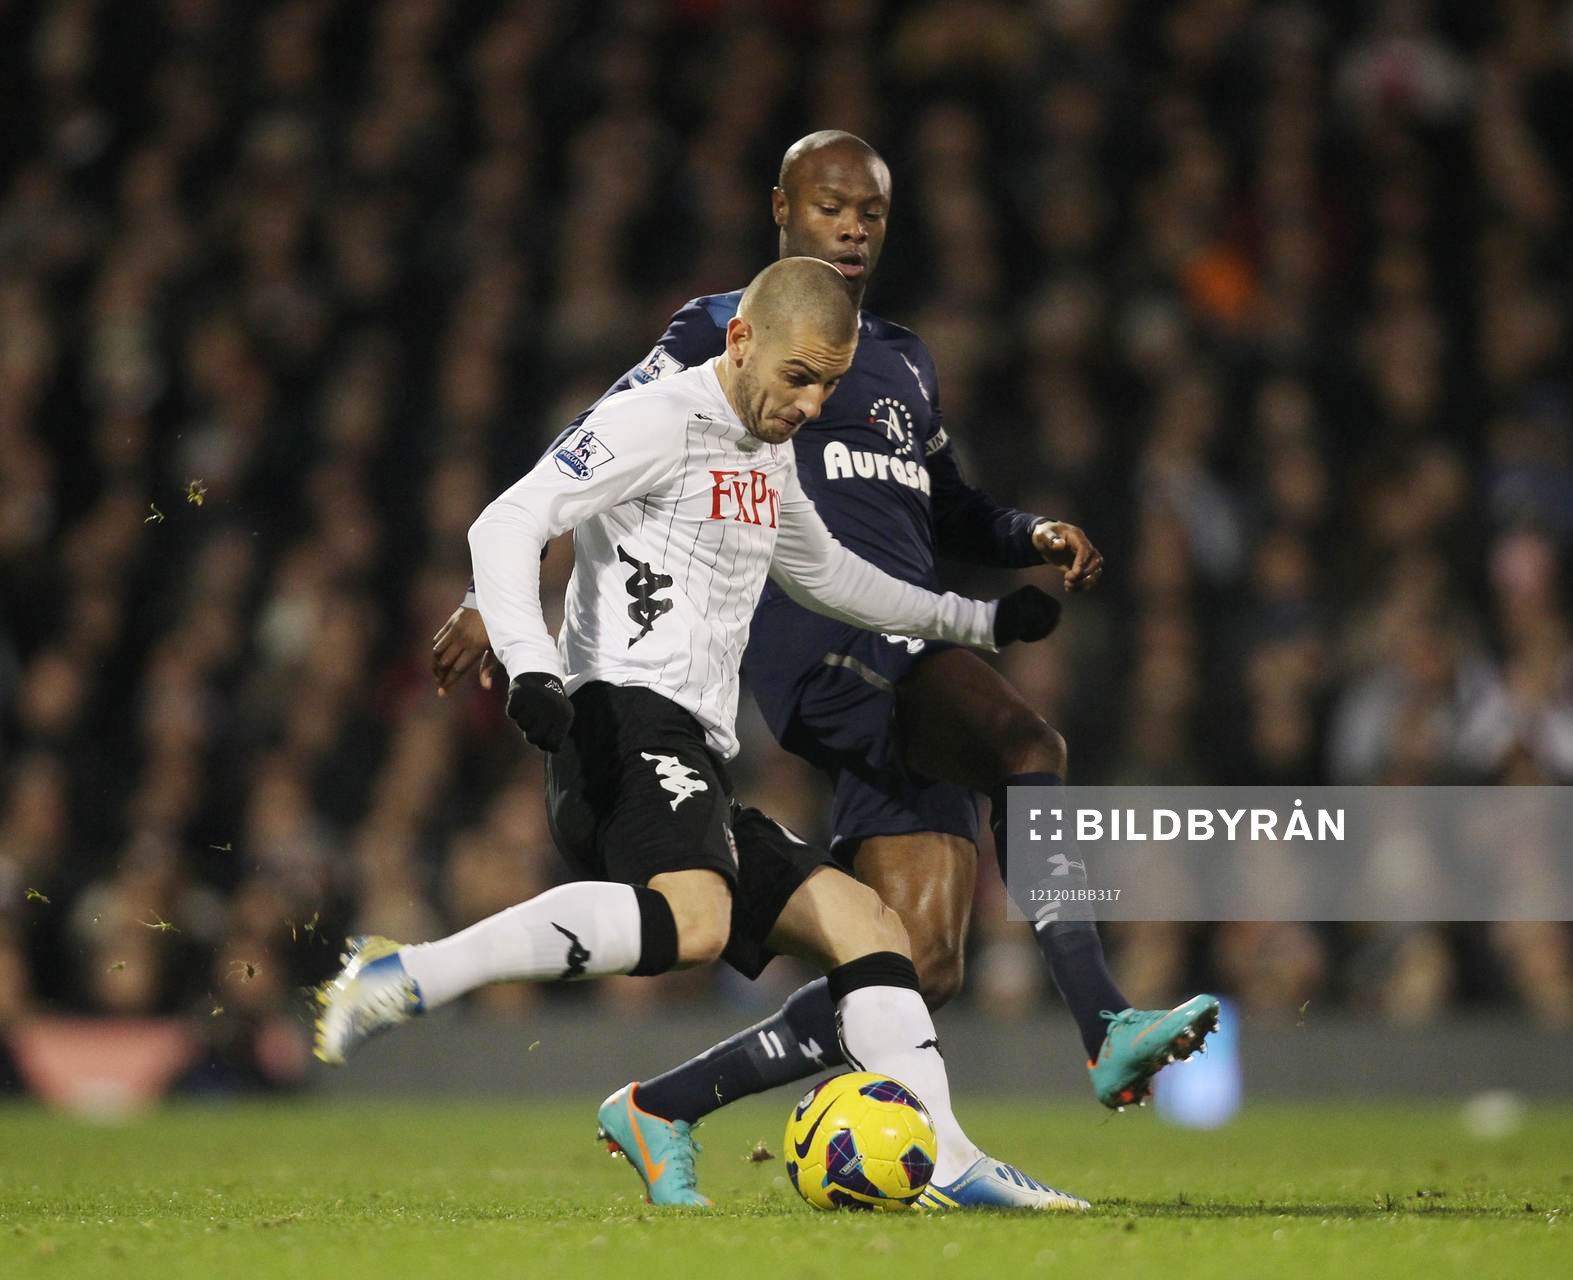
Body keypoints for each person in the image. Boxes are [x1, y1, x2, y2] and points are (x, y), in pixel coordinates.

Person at [432, 131, 1216, 1209]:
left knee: (910, 959)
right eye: (832, 207)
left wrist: (1029, 531)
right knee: (1027, 744)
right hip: (824, 639)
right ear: (783, 211)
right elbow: (591, 443)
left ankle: (663, 1102)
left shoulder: (895, 358)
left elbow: (951, 505)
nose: (853, 227)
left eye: (873, 213)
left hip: (910, 639)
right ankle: (1103, 1016)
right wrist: (491, 596)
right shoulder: (723, 326)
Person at [316, 257, 1083, 1210]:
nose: (809, 403)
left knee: (870, 932)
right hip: (618, 717)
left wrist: (979, 623)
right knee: (697, 920)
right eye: (798, 377)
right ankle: (410, 975)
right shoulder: (655, 420)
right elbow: (506, 521)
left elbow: (831, 577)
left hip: (691, 751)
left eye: (830, 385)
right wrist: (530, 664)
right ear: (741, 340)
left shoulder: (764, 450)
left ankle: (947, 1155)